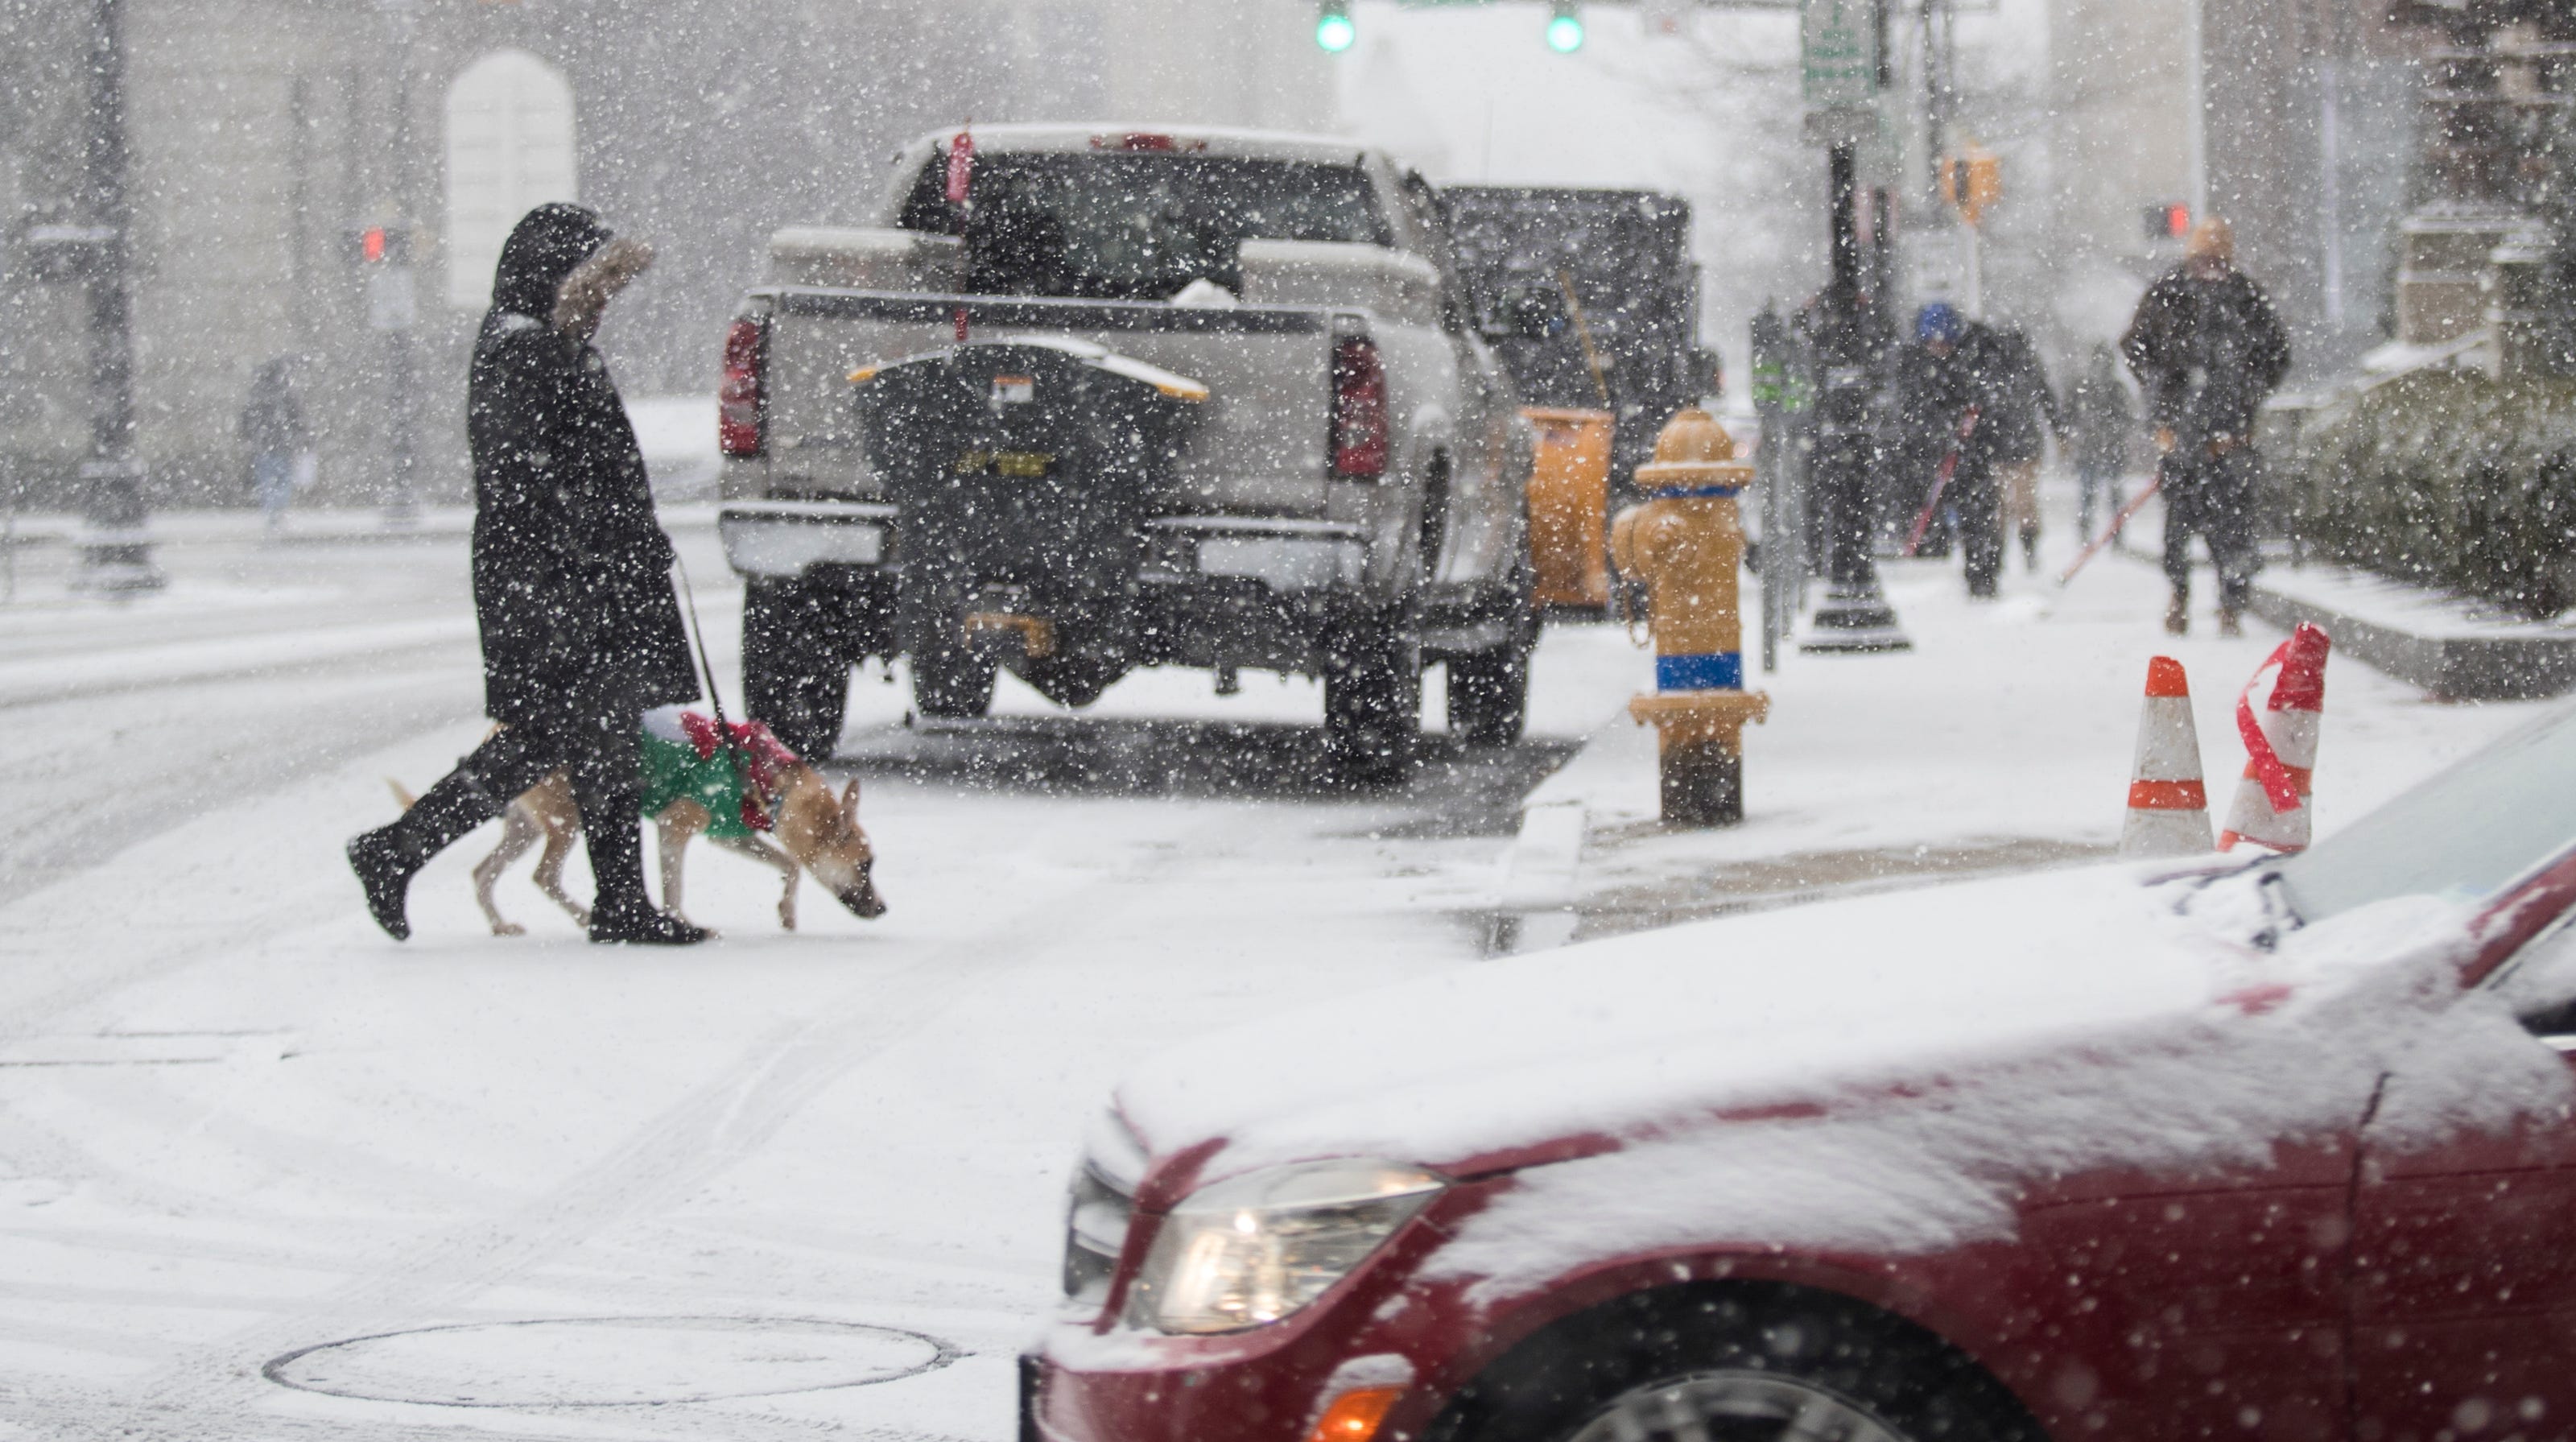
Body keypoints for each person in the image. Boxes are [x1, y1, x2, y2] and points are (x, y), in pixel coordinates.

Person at [346, 203, 707, 945]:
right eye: (597, 283)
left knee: (596, 735)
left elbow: (595, 468)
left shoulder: (557, 345)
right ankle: (395, 850)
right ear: (555, 278)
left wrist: (631, 539)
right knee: (553, 735)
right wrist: (599, 544)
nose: (605, 299)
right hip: (550, 585)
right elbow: (522, 479)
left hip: (579, 580)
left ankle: (618, 903)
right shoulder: (521, 351)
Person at [2120, 217, 2290, 637]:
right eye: (2203, 259)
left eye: (2217, 260)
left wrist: (2248, 391)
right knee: (2178, 526)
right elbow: (2135, 347)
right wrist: (2161, 391)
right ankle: (2179, 595)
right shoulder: (2166, 295)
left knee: (2232, 528)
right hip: (2179, 434)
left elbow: (2277, 354)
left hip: (2230, 437)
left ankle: (2231, 603)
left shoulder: (2246, 299)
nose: (2210, 268)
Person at [1881, 301, 2008, 597]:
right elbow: (1912, 409)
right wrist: (1935, 434)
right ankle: (1929, 548)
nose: (1939, 348)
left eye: (1944, 342)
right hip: (1929, 457)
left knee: (1978, 515)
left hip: (1971, 456)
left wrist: (1971, 430)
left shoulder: (1972, 360)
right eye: (1933, 342)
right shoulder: (1912, 365)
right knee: (1928, 506)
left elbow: (1988, 403)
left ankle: (1982, 575)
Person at [1984, 327, 2058, 572]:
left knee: (2000, 505)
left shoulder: (1992, 370)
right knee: (2025, 502)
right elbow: (2048, 401)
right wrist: (2060, 430)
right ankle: (2029, 551)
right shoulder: (2030, 367)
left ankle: (1998, 553)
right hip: (2026, 442)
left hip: (1998, 443)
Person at [2062, 343, 2135, 547]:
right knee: (2093, 496)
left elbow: (2127, 418)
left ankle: (2110, 533)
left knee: (2103, 496)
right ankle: (2100, 532)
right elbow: (2069, 415)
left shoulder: (2109, 389)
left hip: (2105, 450)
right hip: (2097, 450)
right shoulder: (2088, 388)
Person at [238, 357, 310, 533]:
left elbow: (247, 418)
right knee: (283, 479)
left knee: (267, 479)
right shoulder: (288, 393)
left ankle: (271, 511)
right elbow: (298, 418)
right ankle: (278, 511)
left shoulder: (257, 393)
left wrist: (247, 436)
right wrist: (301, 436)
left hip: (262, 445)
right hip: (283, 444)